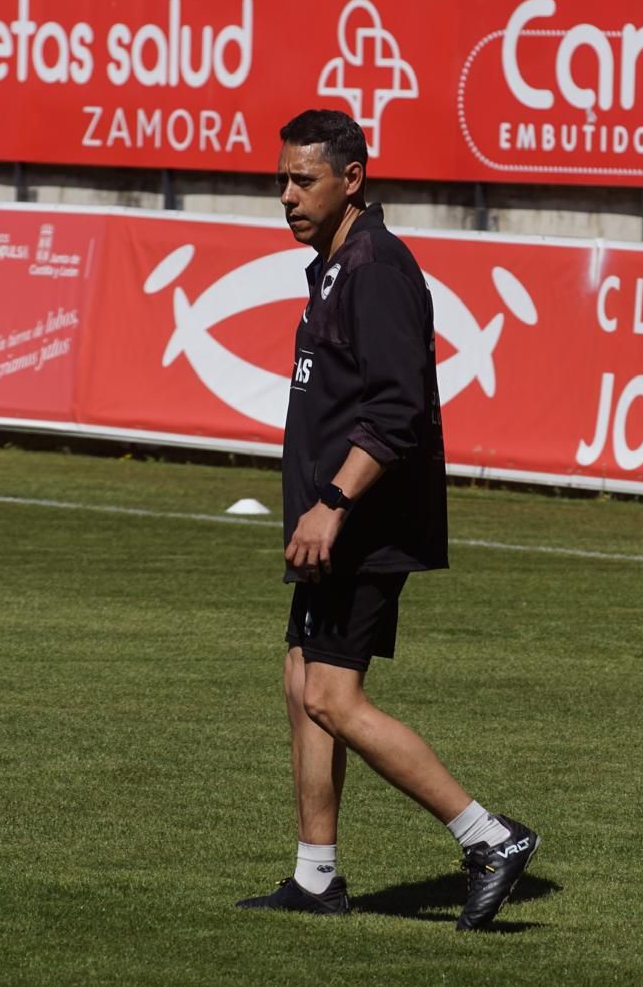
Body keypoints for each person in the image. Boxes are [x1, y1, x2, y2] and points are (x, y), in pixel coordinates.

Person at [235, 109, 540, 932]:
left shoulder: (375, 268)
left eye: (304, 180)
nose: (287, 196)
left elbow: (397, 410)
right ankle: (315, 877)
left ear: (352, 179)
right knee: (302, 679)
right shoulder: (334, 264)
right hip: (330, 521)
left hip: (362, 523)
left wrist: (333, 504)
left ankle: (489, 837)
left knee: (332, 695)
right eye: (282, 179)